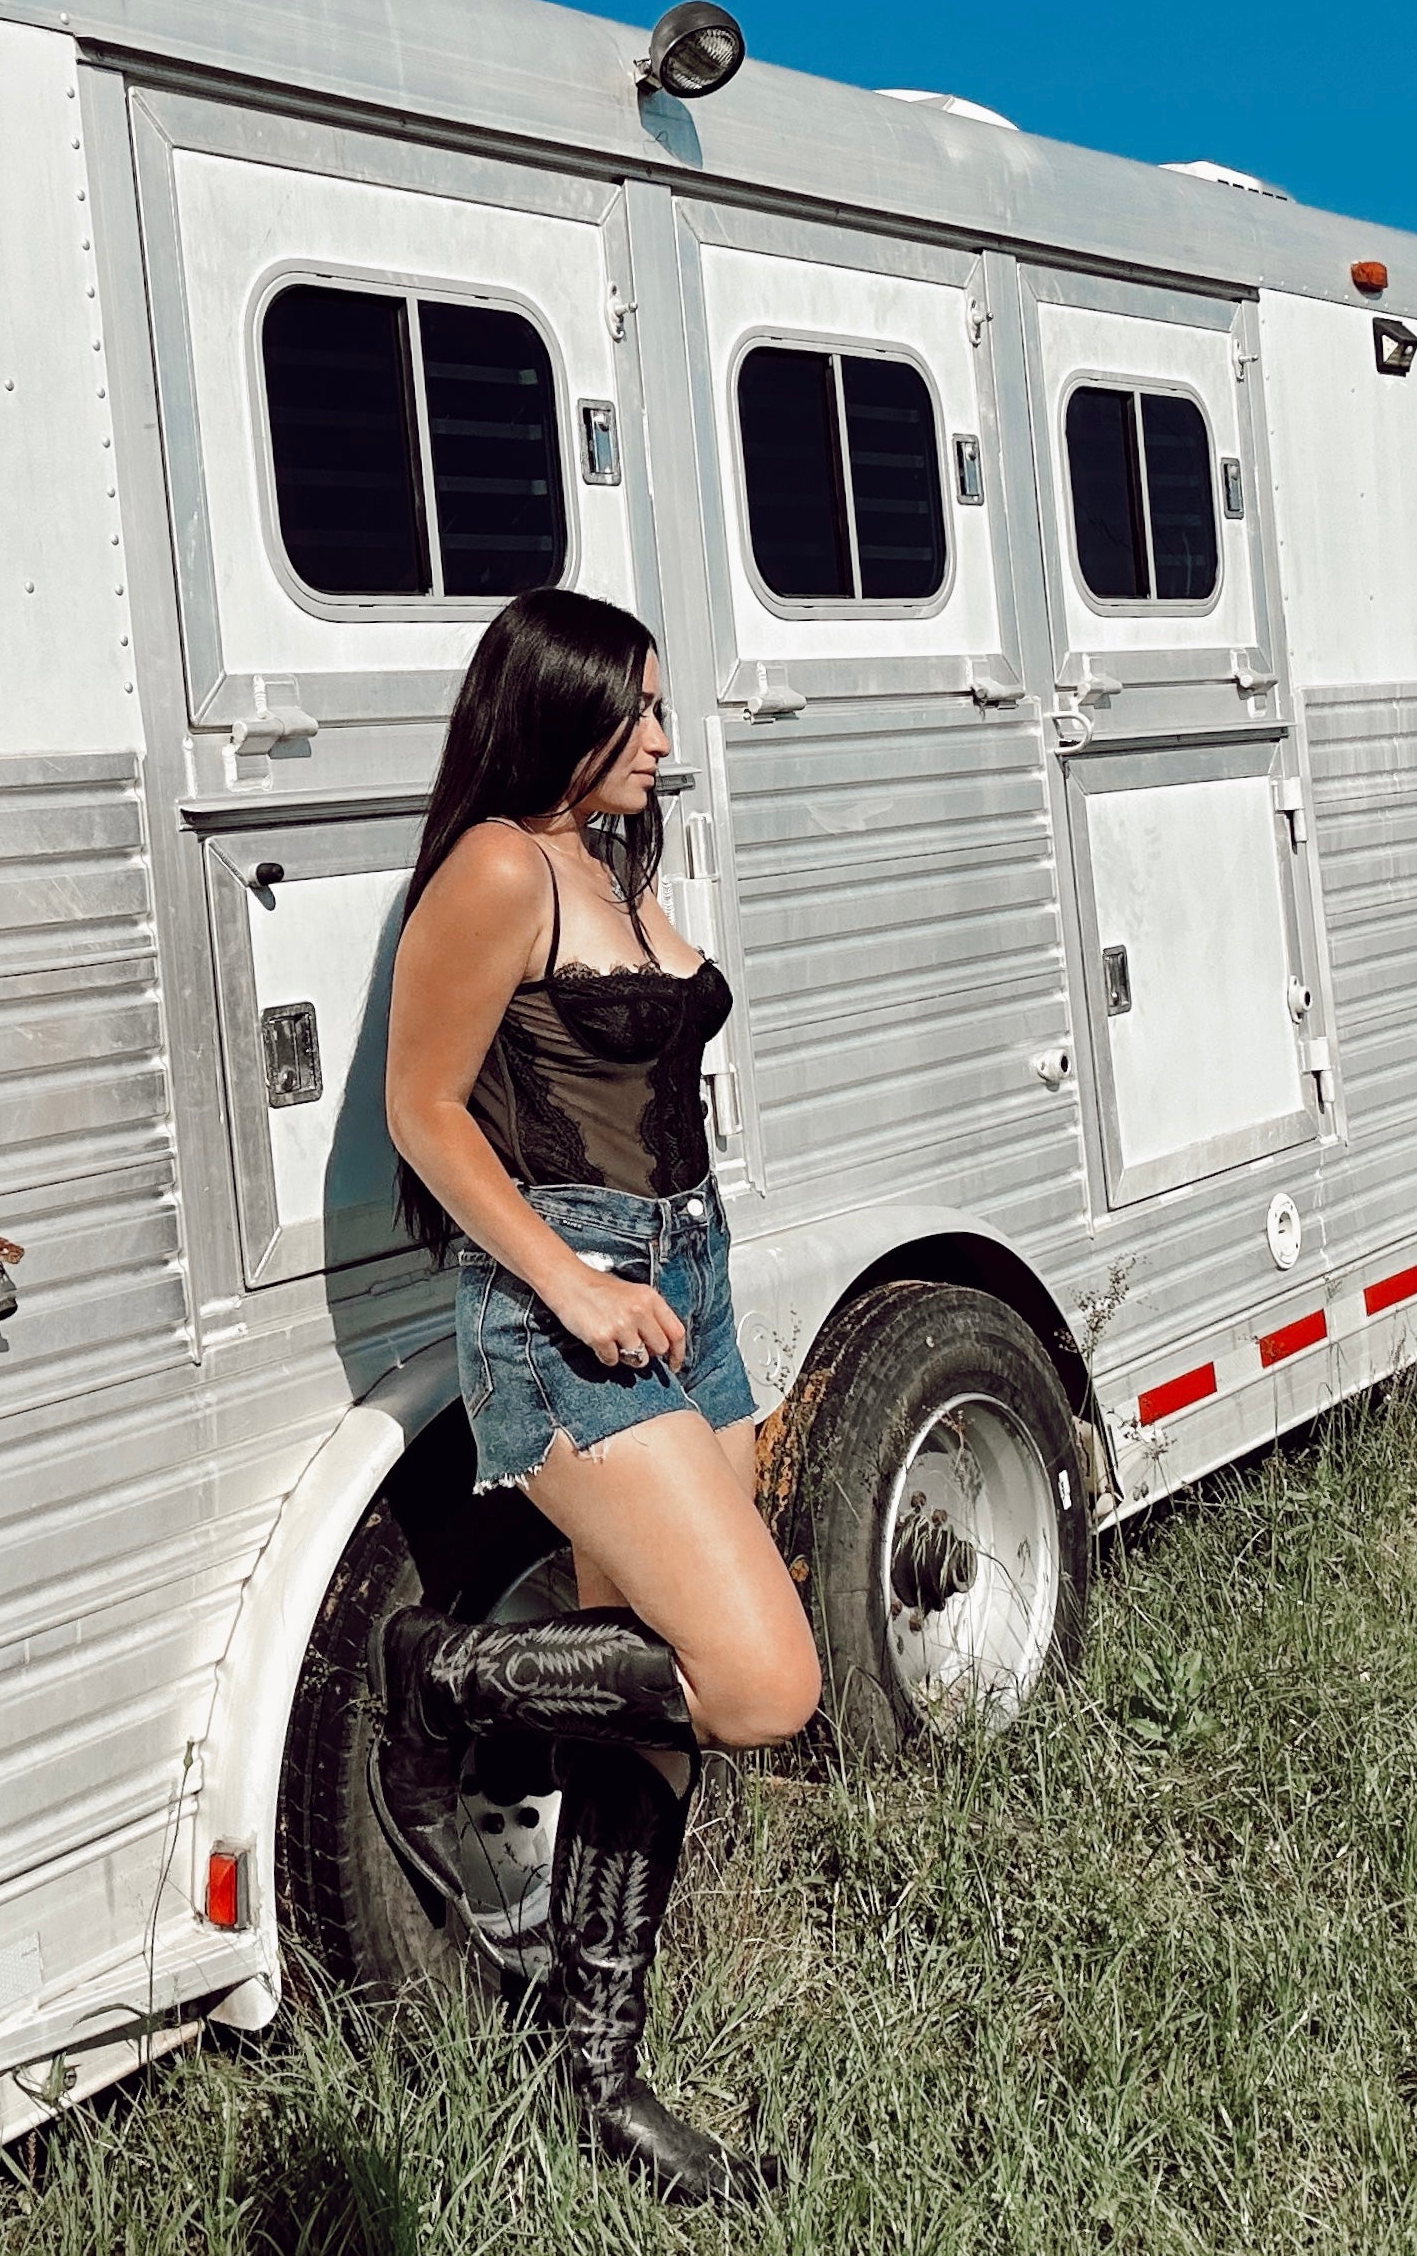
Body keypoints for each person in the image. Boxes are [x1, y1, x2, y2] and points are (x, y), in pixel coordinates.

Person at [381, 586, 822, 2202]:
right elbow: (424, 1107)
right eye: (632, 709)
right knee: (763, 1679)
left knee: (666, 1708)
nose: (660, 736)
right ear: (557, 712)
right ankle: (447, 1679)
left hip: (683, 1288)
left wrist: (665, 1280)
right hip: (564, 1303)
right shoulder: (500, 864)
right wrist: (566, 1282)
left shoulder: (616, 863)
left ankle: (599, 2080)